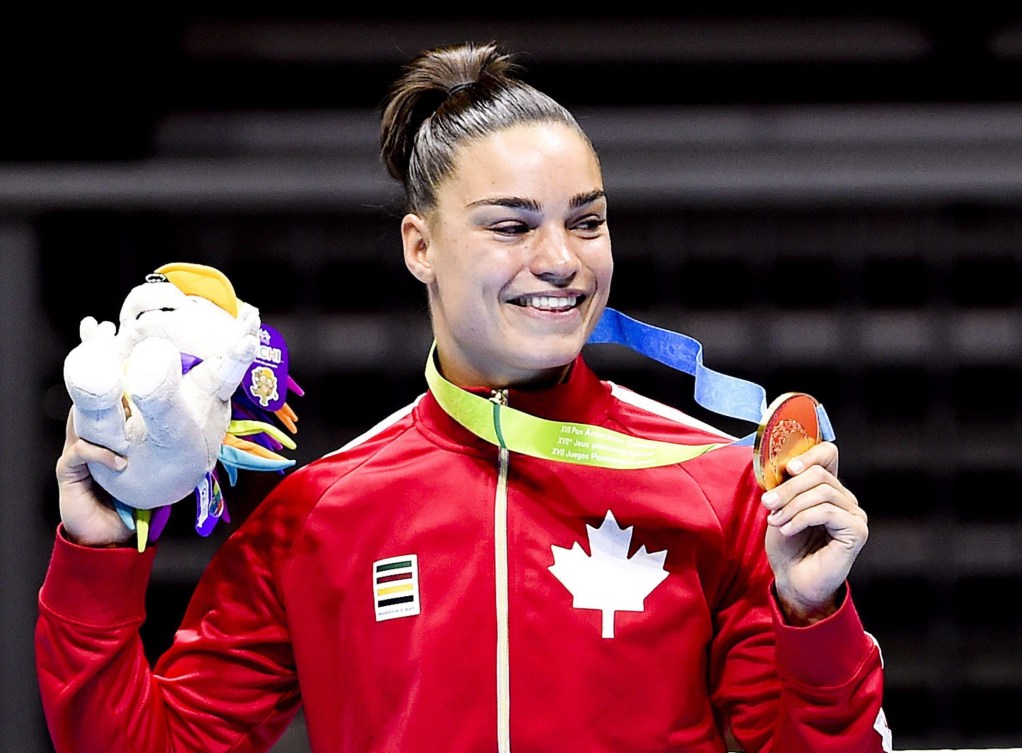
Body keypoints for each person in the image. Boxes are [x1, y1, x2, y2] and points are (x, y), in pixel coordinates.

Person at [36, 41, 891, 753]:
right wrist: (94, 549)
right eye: (512, 225)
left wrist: (813, 612)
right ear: (420, 245)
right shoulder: (317, 516)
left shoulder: (713, 483)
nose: (561, 258)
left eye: (586, 221)